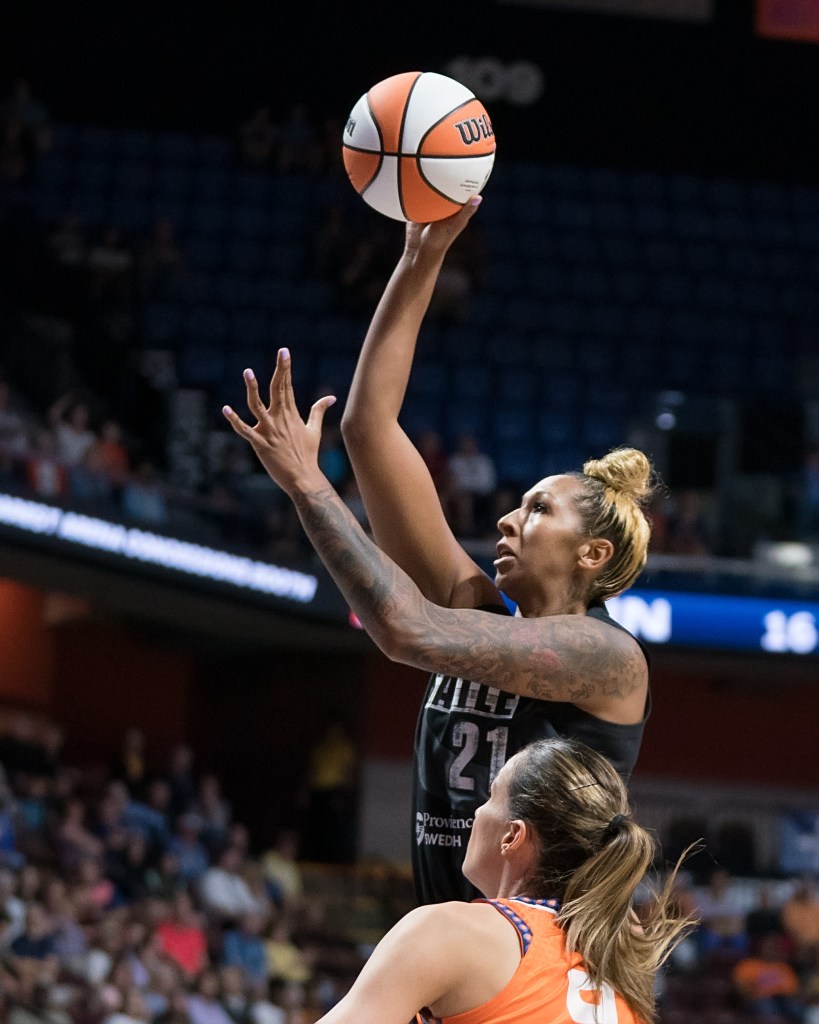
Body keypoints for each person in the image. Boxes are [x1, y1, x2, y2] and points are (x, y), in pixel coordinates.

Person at [222, 198, 655, 906]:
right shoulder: (472, 601)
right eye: (516, 504)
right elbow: (367, 428)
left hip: (535, 963)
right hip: (457, 948)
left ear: (591, 554)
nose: (509, 520)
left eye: (539, 509)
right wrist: (419, 257)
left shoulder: (606, 659)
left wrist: (306, 486)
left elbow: (405, 631)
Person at [281, 738, 691, 1024]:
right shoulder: (620, 943)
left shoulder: (453, 933)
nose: (476, 813)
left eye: (490, 796)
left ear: (513, 835)